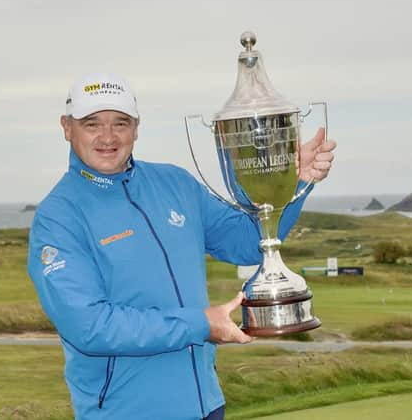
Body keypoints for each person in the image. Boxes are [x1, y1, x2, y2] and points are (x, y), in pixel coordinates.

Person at [27, 72, 336, 420]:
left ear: (136, 128)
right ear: (67, 127)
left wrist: (293, 183)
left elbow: (248, 242)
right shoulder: (58, 217)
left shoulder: (174, 183)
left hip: (206, 405)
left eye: (121, 122)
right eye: (92, 124)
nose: (108, 136)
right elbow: (90, 326)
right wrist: (200, 324)